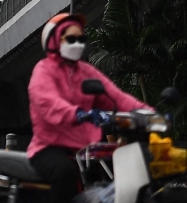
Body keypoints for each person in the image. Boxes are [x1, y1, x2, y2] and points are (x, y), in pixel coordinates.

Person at [28, 13, 151, 203]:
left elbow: (117, 97)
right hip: (50, 148)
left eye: (81, 38)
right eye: (71, 38)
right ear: (54, 41)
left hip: (85, 149)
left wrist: (149, 114)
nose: (77, 43)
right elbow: (48, 103)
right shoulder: (43, 70)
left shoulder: (86, 72)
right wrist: (79, 114)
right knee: (64, 172)